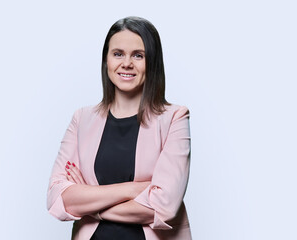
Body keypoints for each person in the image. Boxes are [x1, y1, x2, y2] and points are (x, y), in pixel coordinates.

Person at [47, 16, 192, 240]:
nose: (127, 63)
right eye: (118, 54)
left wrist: (89, 202)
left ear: (152, 62)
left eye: (138, 55)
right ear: (106, 60)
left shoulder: (174, 118)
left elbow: (164, 206)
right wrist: (133, 189)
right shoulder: (82, 119)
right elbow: (57, 198)